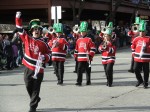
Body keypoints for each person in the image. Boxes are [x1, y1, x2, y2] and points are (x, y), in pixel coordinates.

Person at [15, 12, 51, 112]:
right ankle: (35, 99)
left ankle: (32, 107)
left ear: (40, 31)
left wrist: (45, 57)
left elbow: (50, 54)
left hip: (39, 70)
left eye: (38, 29)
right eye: (34, 29)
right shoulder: (27, 38)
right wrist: (18, 18)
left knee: (36, 89)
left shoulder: (44, 43)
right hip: (27, 67)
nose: (36, 31)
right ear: (31, 31)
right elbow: (19, 28)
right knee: (28, 86)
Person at [74, 21, 96, 86]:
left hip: (87, 58)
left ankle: (88, 81)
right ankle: (79, 81)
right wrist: (75, 56)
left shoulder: (89, 39)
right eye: (81, 32)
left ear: (86, 32)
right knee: (79, 70)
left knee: (88, 70)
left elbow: (93, 48)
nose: (82, 33)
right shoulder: (78, 40)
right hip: (80, 58)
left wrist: (90, 55)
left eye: (83, 32)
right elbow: (76, 49)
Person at [131, 20, 150, 89]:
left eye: (143, 31)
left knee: (146, 71)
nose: (141, 33)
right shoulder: (136, 39)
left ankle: (146, 83)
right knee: (135, 69)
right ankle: (140, 80)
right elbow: (132, 46)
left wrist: (147, 48)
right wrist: (133, 54)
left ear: (145, 32)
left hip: (146, 58)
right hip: (137, 58)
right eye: (140, 31)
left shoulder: (148, 39)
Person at [98, 22, 116, 87]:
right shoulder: (103, 42)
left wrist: (108, 46)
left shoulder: (112, 42)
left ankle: (110, 82)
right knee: (106, 71)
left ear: (110, 36)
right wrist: (102, 47)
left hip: (111, 58)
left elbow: (113, 50)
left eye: (107, 36)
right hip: (104, 58)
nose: (106, 37)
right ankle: (108, 80)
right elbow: (99, 49)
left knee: (109, 69)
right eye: (105, 36)